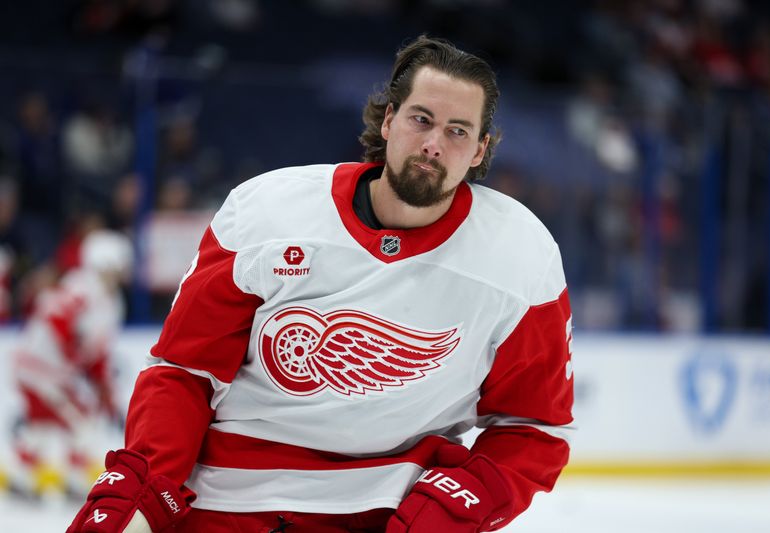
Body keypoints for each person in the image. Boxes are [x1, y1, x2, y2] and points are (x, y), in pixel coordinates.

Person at [68, 35, 574, 533]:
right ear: (389, 118)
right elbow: (185, 372)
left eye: (458, 131)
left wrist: (448, 511)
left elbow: (534, 427)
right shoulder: (267, 213)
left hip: (389, 509)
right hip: (225, 496)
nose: (433, 144)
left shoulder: (520, 258)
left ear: (481, 149)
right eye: (421, 119)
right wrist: (142, 488)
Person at [10, 229, 133, 498]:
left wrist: (106, 393)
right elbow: (57, 320)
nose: (124, 272)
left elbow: (98, 354)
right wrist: (74, 358)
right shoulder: (81, 287)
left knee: (43, 426)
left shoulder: (112, 303)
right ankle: (77, 481)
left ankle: (20, 475)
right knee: (80, 420)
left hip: (49, 374)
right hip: (40, 372)